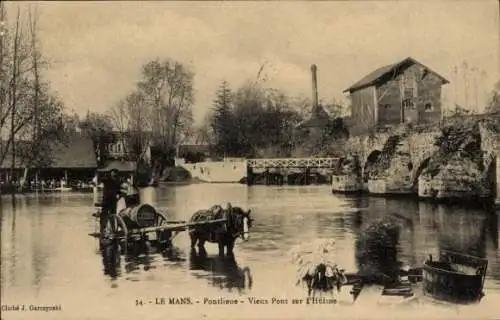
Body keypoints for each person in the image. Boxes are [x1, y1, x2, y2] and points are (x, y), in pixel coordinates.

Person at [100, 168, 124, 236]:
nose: (114, 174)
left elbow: (118, 191)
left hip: (113, 200)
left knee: (113, 215)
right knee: (104, 215)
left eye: (115, 173)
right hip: (107, 200)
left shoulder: (117, 181)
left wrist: (121, 195)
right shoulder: (107, 179)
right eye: (113, 172)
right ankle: (103, 229)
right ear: (111, 173)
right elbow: (102, 179)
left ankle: (113, 230)